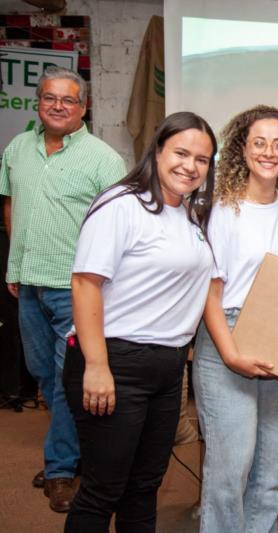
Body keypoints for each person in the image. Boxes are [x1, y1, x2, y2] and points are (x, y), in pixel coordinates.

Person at [62, 111, 217, 532]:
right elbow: (85, 284)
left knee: (145, 486)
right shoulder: (121, 205)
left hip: (167, 369)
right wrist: (96, 366)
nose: (190, 166)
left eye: (202, 159)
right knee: (102, 489)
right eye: (181, 153)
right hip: (114, 362)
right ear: (158, 150)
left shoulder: (186, 215)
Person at [0, 66, 126, 512]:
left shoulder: (104, 159)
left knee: (64, 378)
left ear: (83, 107)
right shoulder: (18, 148)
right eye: (50, 97)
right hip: (29, 283)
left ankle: (60, 469)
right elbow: (11, 202)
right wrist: (15, 264)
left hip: (75, 288)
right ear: (38, 102)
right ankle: (76, 452)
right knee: (44, 375)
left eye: (68, 100)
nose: (58, 105)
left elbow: (120, 227)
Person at [192, 105, 278, 532]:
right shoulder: (222, 209)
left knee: (273, 464)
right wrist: (230, 355)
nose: (269, 152)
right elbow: (210, 291)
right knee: (232, 465)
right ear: (242, 150)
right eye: (259, 143)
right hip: (227, 333)